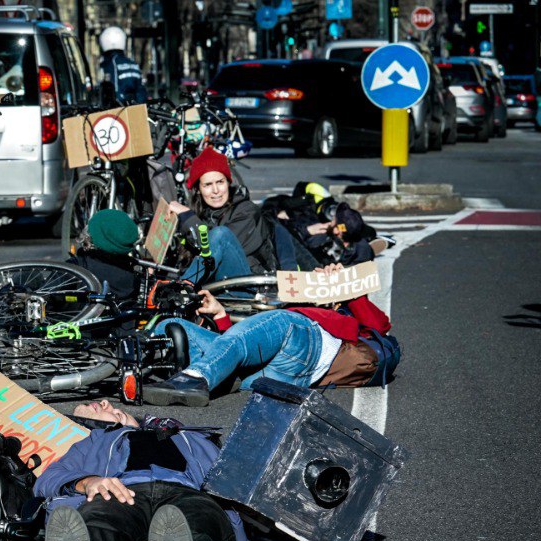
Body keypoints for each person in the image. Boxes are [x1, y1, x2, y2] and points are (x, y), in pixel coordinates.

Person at [36, 400, 336, 541]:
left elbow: (250, 502)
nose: (103, 404)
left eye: (104, 402)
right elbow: (48, 479)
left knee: (196, 523)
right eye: (91, 408)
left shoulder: (194, 437)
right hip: (122, 492)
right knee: (99, 523)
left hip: (189, 495)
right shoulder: (92, 442)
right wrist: (88, 481)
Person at [141, 264, 399, 406]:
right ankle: (134, 370)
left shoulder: (340, 316)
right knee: (174, 324)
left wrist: (346, 287)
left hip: (309, 343)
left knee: (281, 320)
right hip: (284, 375)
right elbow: (240, 342)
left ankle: (194, 378)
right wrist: (220, 314)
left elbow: (380, 326)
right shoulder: (301, 308)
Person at [170, 147, 279, 280]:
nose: (216, 190)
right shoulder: (201, 214)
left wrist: (187, 217)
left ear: (228, 183)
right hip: (216, 285)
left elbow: (216, 246)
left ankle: (184, 287)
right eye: (208, 185)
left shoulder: (247, 211)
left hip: (250, 287)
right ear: (198, 190)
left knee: (221, 234)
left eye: (220, 182)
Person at [97, 26, 147, 106]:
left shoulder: (111, 64)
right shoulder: (133, 64)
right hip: (137, 108)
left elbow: (115, 91)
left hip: (121, 110)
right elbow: (141, 90)